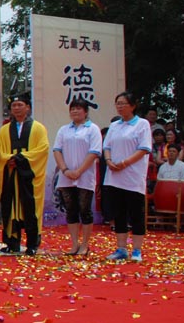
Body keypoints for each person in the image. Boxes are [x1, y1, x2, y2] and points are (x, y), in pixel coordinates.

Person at [0, 92, 50, 255]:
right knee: (10, 206)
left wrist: (19, 160)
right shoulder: (5, 130)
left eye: (20, 105)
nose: (17, 108)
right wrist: (9, 160)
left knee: (30, 208)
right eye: (14, 105)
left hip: (28, 176)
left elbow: (42, 150)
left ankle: (32, 243)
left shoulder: (38, 128)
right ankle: (12, 242)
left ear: (28, 107)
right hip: (11, 175)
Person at [104, 91, 152, 262]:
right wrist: (109, 160)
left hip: (132, 176)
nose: (120, 106)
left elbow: (144, 148)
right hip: (114, 176)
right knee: (119, 214)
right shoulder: (115, 125)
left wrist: (124, 163)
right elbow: (107, 146)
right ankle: (121, 248)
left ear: (133, 105)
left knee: (136, 214)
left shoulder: (142, 124)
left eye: (123, 103)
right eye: (118, 103)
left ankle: (137, 250)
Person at [52, 98, 102, 256]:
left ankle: (85, 244)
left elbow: (94, 152)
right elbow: (57, 150)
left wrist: (79, 171)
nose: (75, 111)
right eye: (72, 109)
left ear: (86, 111)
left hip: (85, 175)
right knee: (71, 210)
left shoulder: (92, 129)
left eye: (78, 108)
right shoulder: (64, 130)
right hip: (66, 176)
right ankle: (74, 244)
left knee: (84, 209)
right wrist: (65, 170)